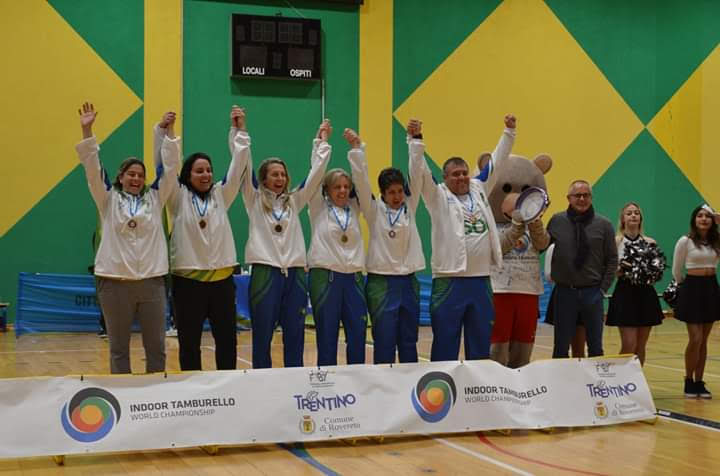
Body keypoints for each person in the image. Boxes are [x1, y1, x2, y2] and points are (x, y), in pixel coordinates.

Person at [76, 102, 180, 374]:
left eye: (140, 175)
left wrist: (169, 135)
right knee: (119, 349)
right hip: (115, 283)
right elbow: (92, 169)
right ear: (120, 177)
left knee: (156, 348)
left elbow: (170, 170)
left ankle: (155, 399)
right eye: (130, 174)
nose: (136, 178)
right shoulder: (107, 199)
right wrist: (87, 131)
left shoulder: (155, 198)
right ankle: (122, 402)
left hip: (151, 283)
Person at [410, 114, 517, 362]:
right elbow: (421, 172)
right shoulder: (436, 195)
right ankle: (443, 391)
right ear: (445, 178)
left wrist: (509, 132)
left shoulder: (479, 188)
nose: (461, 178)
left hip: (480, 280)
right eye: (455, 174)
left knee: (480, 342)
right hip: (450, 281)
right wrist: (415, 141)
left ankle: (476, 392)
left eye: (464, 173)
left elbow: (496, 163)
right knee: (446, 342)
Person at [156, 107, 247, 371]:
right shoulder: (177, 198)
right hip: (189, 283)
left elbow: (238, 165)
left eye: (208, 170)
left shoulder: (222, 194)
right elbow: (168, 168)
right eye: (199, 171)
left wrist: (239, 131)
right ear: (188, 175)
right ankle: (192, 392)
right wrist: (168, 134)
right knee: (189, 342)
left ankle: (228, 387)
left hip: (221, 282)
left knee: (227, 340)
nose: (206, 175)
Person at [238, 118, 333, 369]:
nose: (280, 178)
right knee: (262, 335)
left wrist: (321, 143)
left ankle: (295, 383)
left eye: (283, 174)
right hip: (265, 273)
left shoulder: (295, 200)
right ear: (264, 178)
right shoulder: (254, 199)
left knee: (295, 333)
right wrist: (240, 132)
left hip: (295, 275)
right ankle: (261, 382)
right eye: (274, 174)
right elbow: (243, 167)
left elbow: (316, 175)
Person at [347, 125, 425, 364]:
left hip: (409, 281)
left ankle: (410, 386)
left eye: (400, 191)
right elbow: (360, 182)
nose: (397, 196)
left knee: (409, 339)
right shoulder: (373, 210)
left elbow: (417, 172)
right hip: (381, 282)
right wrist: (358, 150)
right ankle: (384, 389)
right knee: (384, 339)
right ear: (382, 193)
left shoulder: (409, 207)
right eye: (391, 192)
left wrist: (415, 140)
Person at [307, 129, 369, 366]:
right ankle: (327, 384)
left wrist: (356, 148)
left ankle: (357, 382)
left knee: (357, 334)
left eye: (345, 186)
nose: (342, 191)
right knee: (327, 335)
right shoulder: (317, 206)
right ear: (327, 190)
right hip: (325, 277)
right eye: (336, 187)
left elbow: (362, 180)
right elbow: (315, 176)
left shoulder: (355, 206)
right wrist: (320, 144)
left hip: (353, 278)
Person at [547, 180, 617, 358]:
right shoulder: (556, 221)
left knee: (595, 347)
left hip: (593, 292)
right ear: (568, 198)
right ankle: (561, 385)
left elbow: (612, 259)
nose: (582, 199)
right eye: (577, 195)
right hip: (564, 293)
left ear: (591, 198)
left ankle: (594, 385)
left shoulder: (604, 225)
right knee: (561, 347)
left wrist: (602, 289)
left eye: (586, 195)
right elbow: (542, 246)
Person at [606, 202, 664, 365]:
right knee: (629, 344)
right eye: (629, 213)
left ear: (640, 218)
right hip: (625, 293)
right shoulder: (616, 241)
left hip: (645, 293)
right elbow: (609, 271)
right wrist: (622, 268)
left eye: (636, 213)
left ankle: (637, 384)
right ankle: (621, 382)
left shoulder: (650, 242)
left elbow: (656, 271)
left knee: (640, 345)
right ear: (623, 219)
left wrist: (649, 270)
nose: (633, 215)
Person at [673, 204, 720, 399]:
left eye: (708, 216)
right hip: (692, 288)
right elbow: (677, 270)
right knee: (696, 338)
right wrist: (686, 287)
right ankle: (688, 380)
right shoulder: (685, 241)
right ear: (694, 219)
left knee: (704, 340)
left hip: (711, 288)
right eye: (700, 216)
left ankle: (699, 381)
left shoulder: (716, 241)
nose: (704, 219)